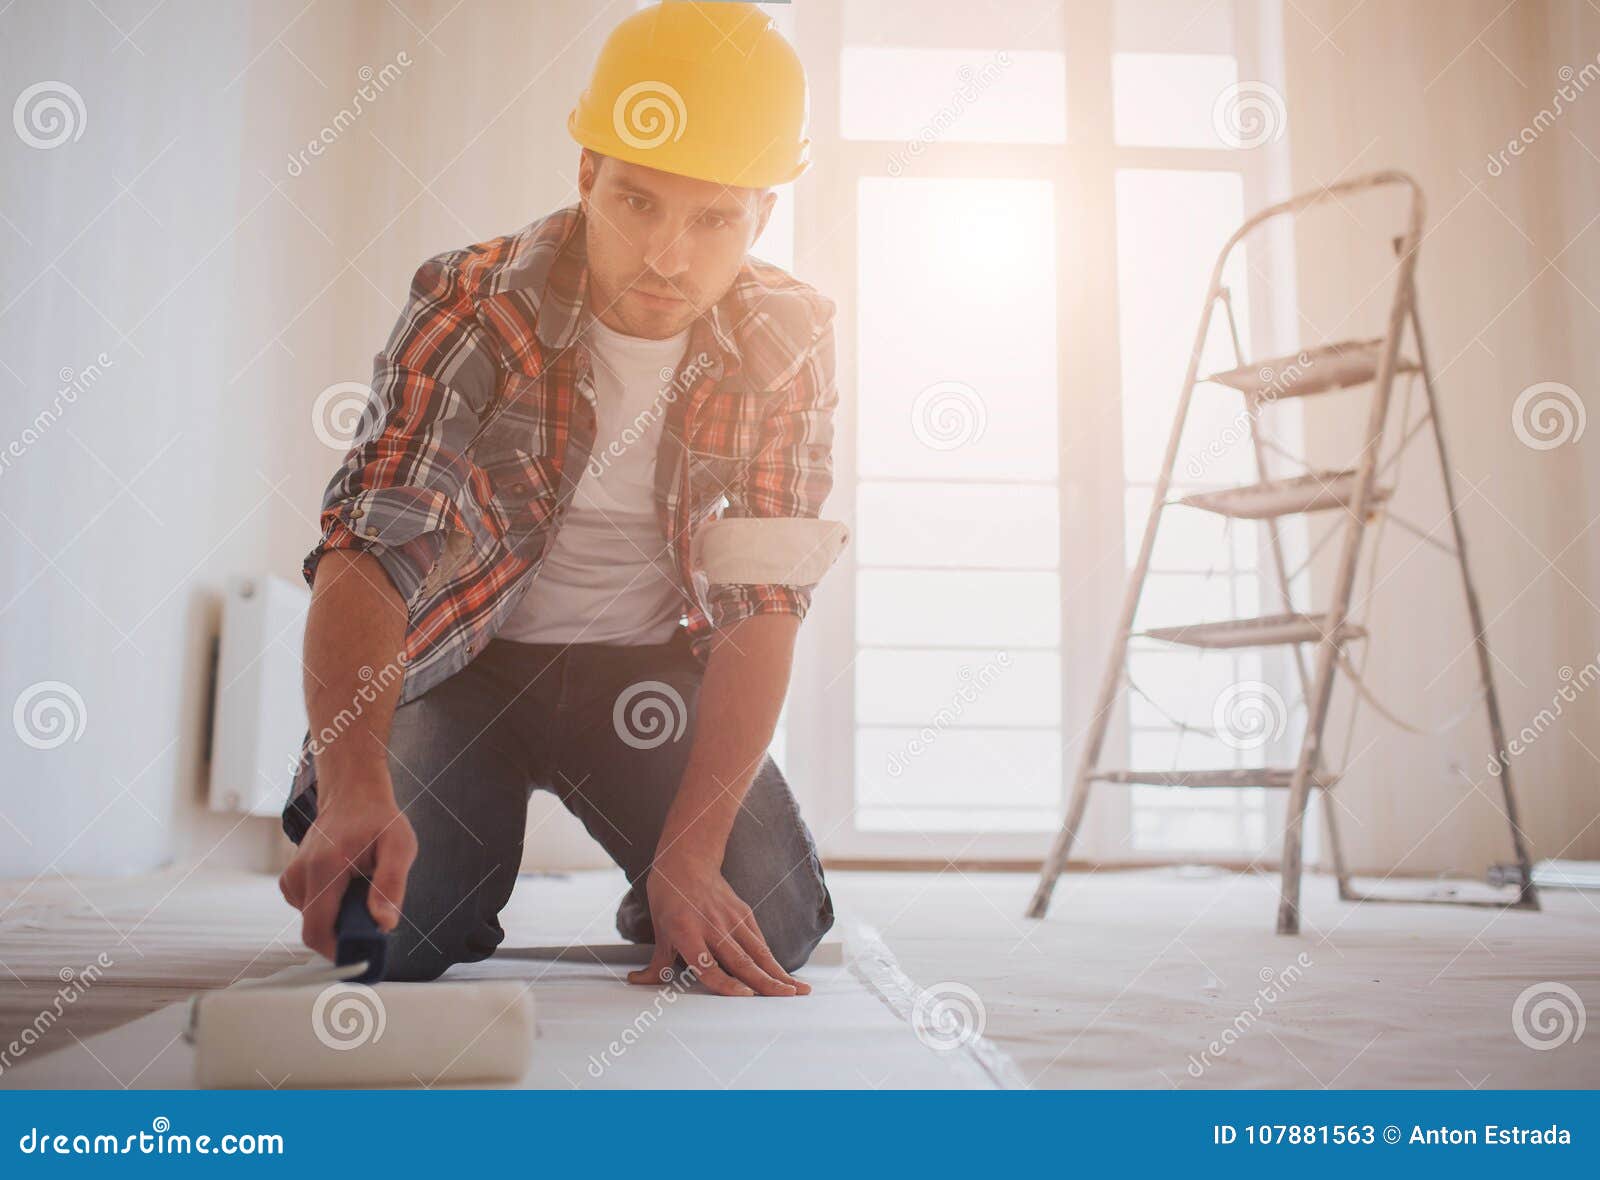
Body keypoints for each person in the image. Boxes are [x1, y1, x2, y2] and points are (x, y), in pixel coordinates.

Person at [276, 2, 844, 998]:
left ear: (762, 214)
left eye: (712, 218)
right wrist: (354, 785)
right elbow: (373, 543)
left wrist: (694, 850)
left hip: (641, 676)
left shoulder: (787, 340)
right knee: (388, 936)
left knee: (770, 920)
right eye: (637, 204)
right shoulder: (474, 301)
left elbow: (762, 604)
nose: (668, 257)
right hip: (466, 667)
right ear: (587, 175)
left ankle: (657, 871)